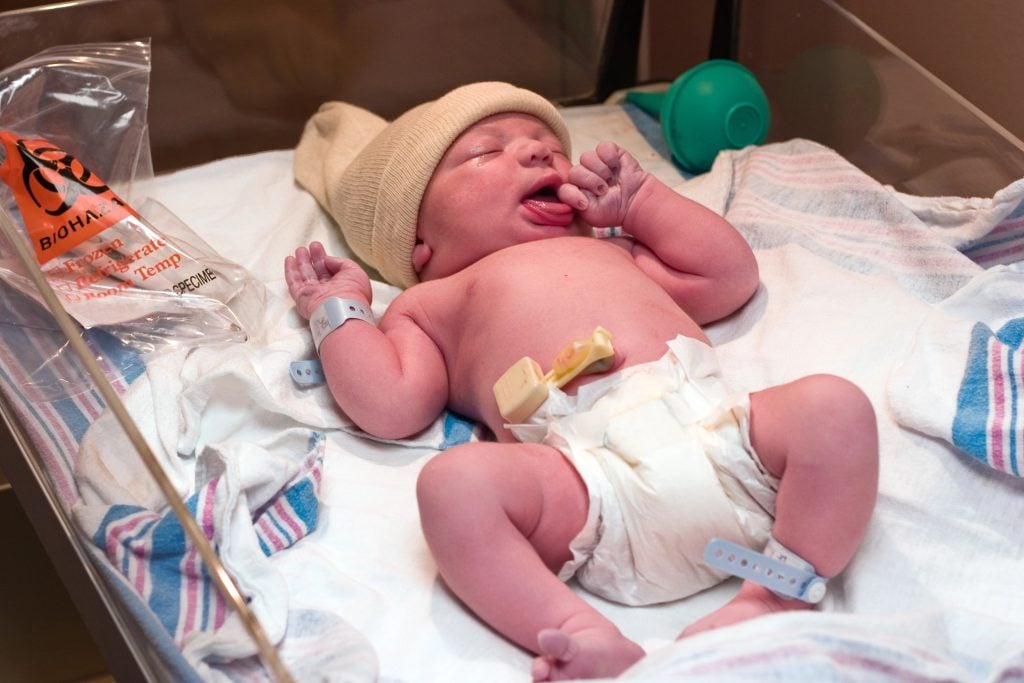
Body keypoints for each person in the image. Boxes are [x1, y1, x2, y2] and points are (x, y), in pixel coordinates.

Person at [287, 82, 879, 681]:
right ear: (418, 240)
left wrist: (643, 203)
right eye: (487, 152)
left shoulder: (616, 252)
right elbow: (389, 405)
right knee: (452, 487)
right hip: (585, 491)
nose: (539, 154)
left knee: (835, 407)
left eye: (548, 146)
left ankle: (775, 593)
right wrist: (338, 308)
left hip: (724, 444)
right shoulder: (429, 304)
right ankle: (577, 630)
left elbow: (730, 276)